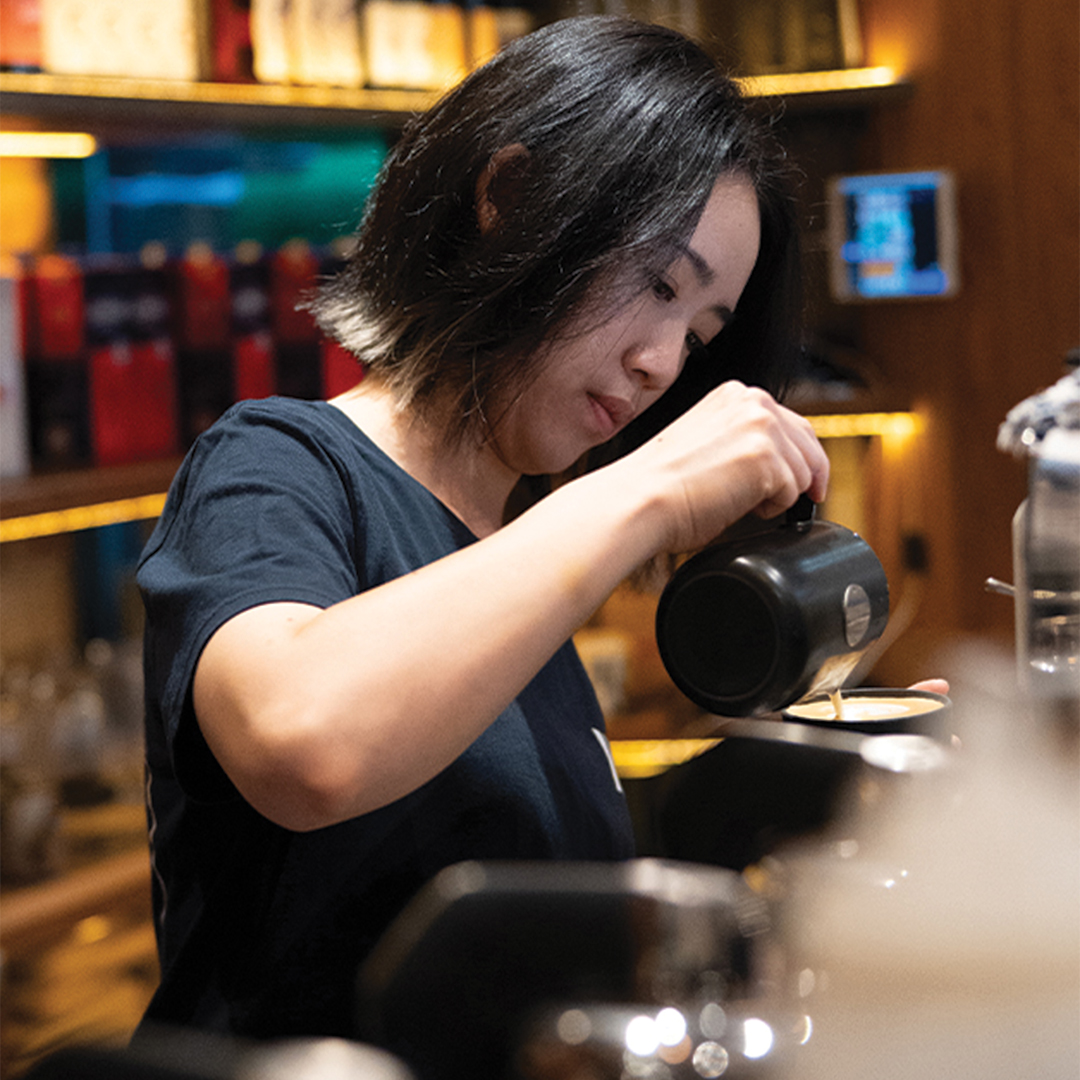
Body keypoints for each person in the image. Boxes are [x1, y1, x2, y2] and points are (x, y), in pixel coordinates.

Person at [135, 14, 833, 1043]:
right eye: (658, 285)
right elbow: (301, 740)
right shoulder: (280, 463)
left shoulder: (516, 548)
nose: (662, 364)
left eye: (700, 333)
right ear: (510, 201)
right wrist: (644, 492)